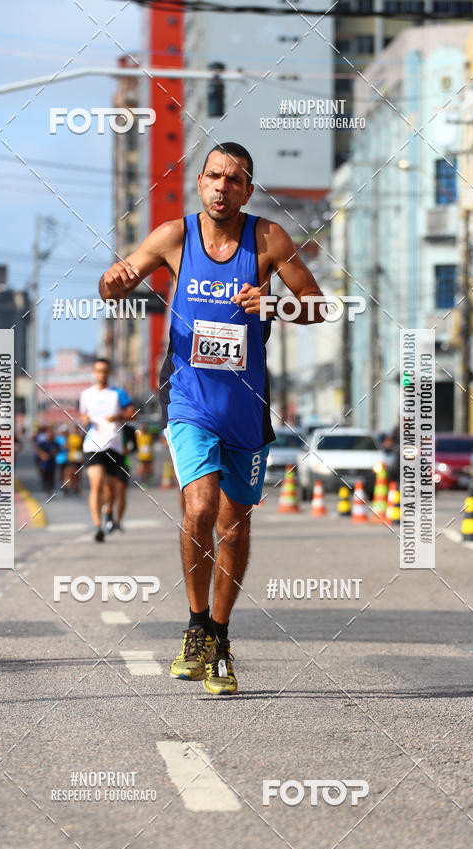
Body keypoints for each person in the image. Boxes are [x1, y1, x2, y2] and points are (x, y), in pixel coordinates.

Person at [99, 141, 324, 695]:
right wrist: (114, 285)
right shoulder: (175, 236)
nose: (223, 186)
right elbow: (112, 283)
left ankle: (219, 634)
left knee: (234, 523)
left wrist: (274, 305)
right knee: (198, 507)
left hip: (246, 406)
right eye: (214, 176)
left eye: (236, 179)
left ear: (248, 190)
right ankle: (196, 625)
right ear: (200, 183)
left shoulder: (268, 239)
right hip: (190, 398)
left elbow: (319, 306)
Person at [79, 358, 135, 542]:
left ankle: (109, 512)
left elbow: (132, 413)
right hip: (92, 444)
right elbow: (83, 414)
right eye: (98, 371)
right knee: (96, 485)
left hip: (114, 444)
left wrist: (118, 416)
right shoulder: (86, 394)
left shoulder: (118, 393)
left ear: (109, 373)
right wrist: (85, 419)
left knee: (110, 489)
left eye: (105, 371)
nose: (101, 374)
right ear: (94, 373)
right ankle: (97, 526)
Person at [35, 425, 57, 495]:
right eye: (48, 434)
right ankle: (46, 486)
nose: (49, 436)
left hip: (52, 462)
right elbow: (38, 450)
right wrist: (43, 455)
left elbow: (57, 450)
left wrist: (54, 453)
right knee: (45, 475)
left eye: (51, 435)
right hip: (44, 463)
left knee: (51, 475)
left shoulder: (54, 443)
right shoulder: (43, 443)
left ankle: (50, 487)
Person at [65, 426, 84, 495]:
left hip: (79, 458)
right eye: (75, 430)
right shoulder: (70, 437)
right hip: (72, 458)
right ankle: (69, 485)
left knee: (78, 473)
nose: (76, 431)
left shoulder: (80, 437)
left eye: (77, 430)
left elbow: (82, 446)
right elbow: (67, 445)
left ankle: (76, 487)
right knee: (71, 472)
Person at [54, 424, 70, 493]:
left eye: (65, 431)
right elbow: (55, 448)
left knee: (67, 474)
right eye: (63, 431)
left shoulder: (69, 438)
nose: (64, 433)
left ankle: (66, 487)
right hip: (60, 459)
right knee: (61, 474)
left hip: (68, 459)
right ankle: (63, 484)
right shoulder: (57, 439)